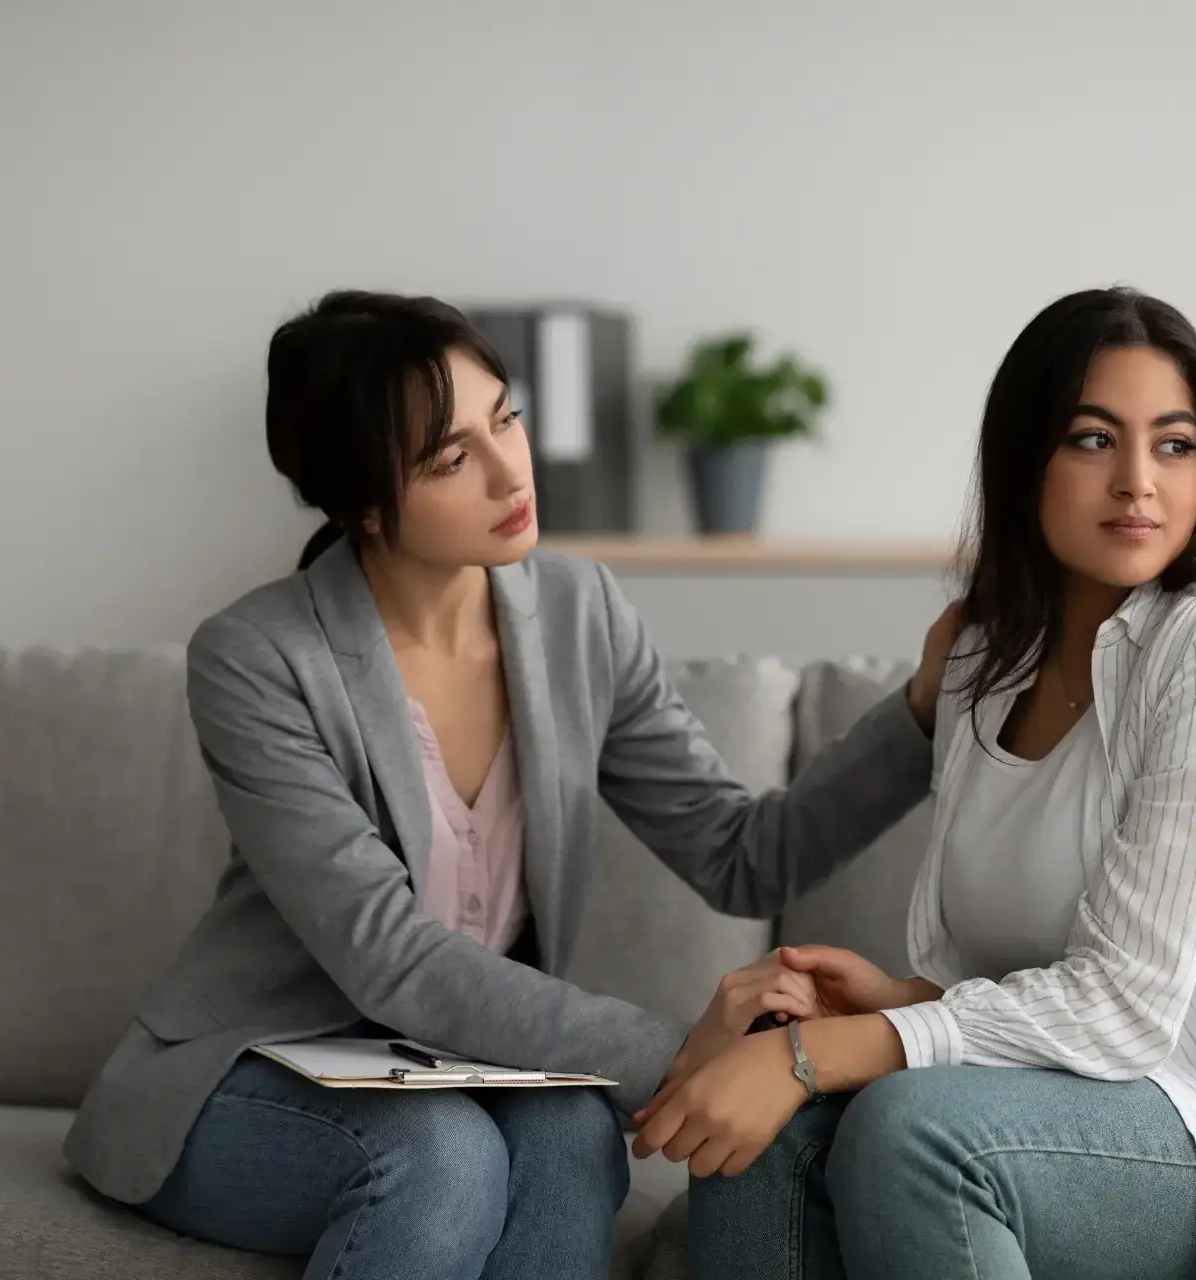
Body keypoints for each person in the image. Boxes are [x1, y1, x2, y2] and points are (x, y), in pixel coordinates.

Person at [62, 289, 959, 1280]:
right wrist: (682, 1051)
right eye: (451, 458)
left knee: (574, 1130)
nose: (508, 470)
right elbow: (390, 959)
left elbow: (739, 853)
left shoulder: (579, 611)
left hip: (467, 1068)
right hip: (251, 1070)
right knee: (437, 1156)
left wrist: (924, 704)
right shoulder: (257, 657)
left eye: (507, 418)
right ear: (363, 501)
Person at [639, 288, 1196, 1280]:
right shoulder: (982, 661)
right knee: (752, 1143)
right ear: (1023, 461)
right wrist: (896, 1000)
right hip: (1086, 1092)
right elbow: (1035, 975)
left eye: (1173, 444)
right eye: (1093, 440)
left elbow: (1127, 1005)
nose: (1138, 481)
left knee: (912, 1129)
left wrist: (823, 1052)